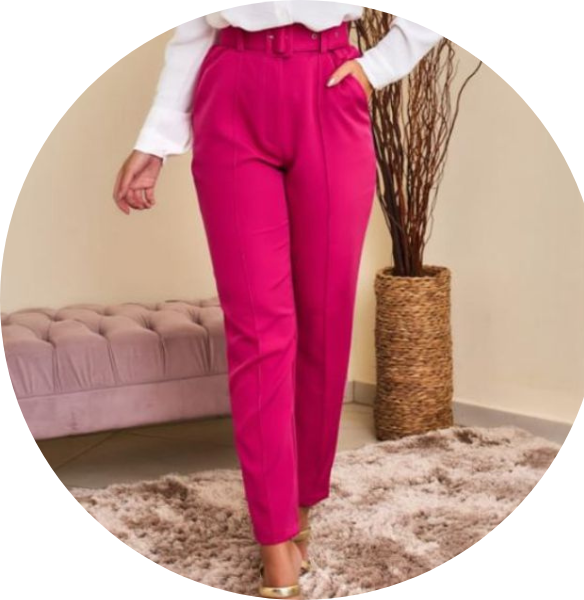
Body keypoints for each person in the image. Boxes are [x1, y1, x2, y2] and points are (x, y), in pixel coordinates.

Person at [112, 5, 443, 598]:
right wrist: (155, 141)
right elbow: (192, 31)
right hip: (230, 89)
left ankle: (302, 504)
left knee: (325, 321)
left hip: (330, 84)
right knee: (258, 334)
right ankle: (275, 545)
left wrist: (377, 68)